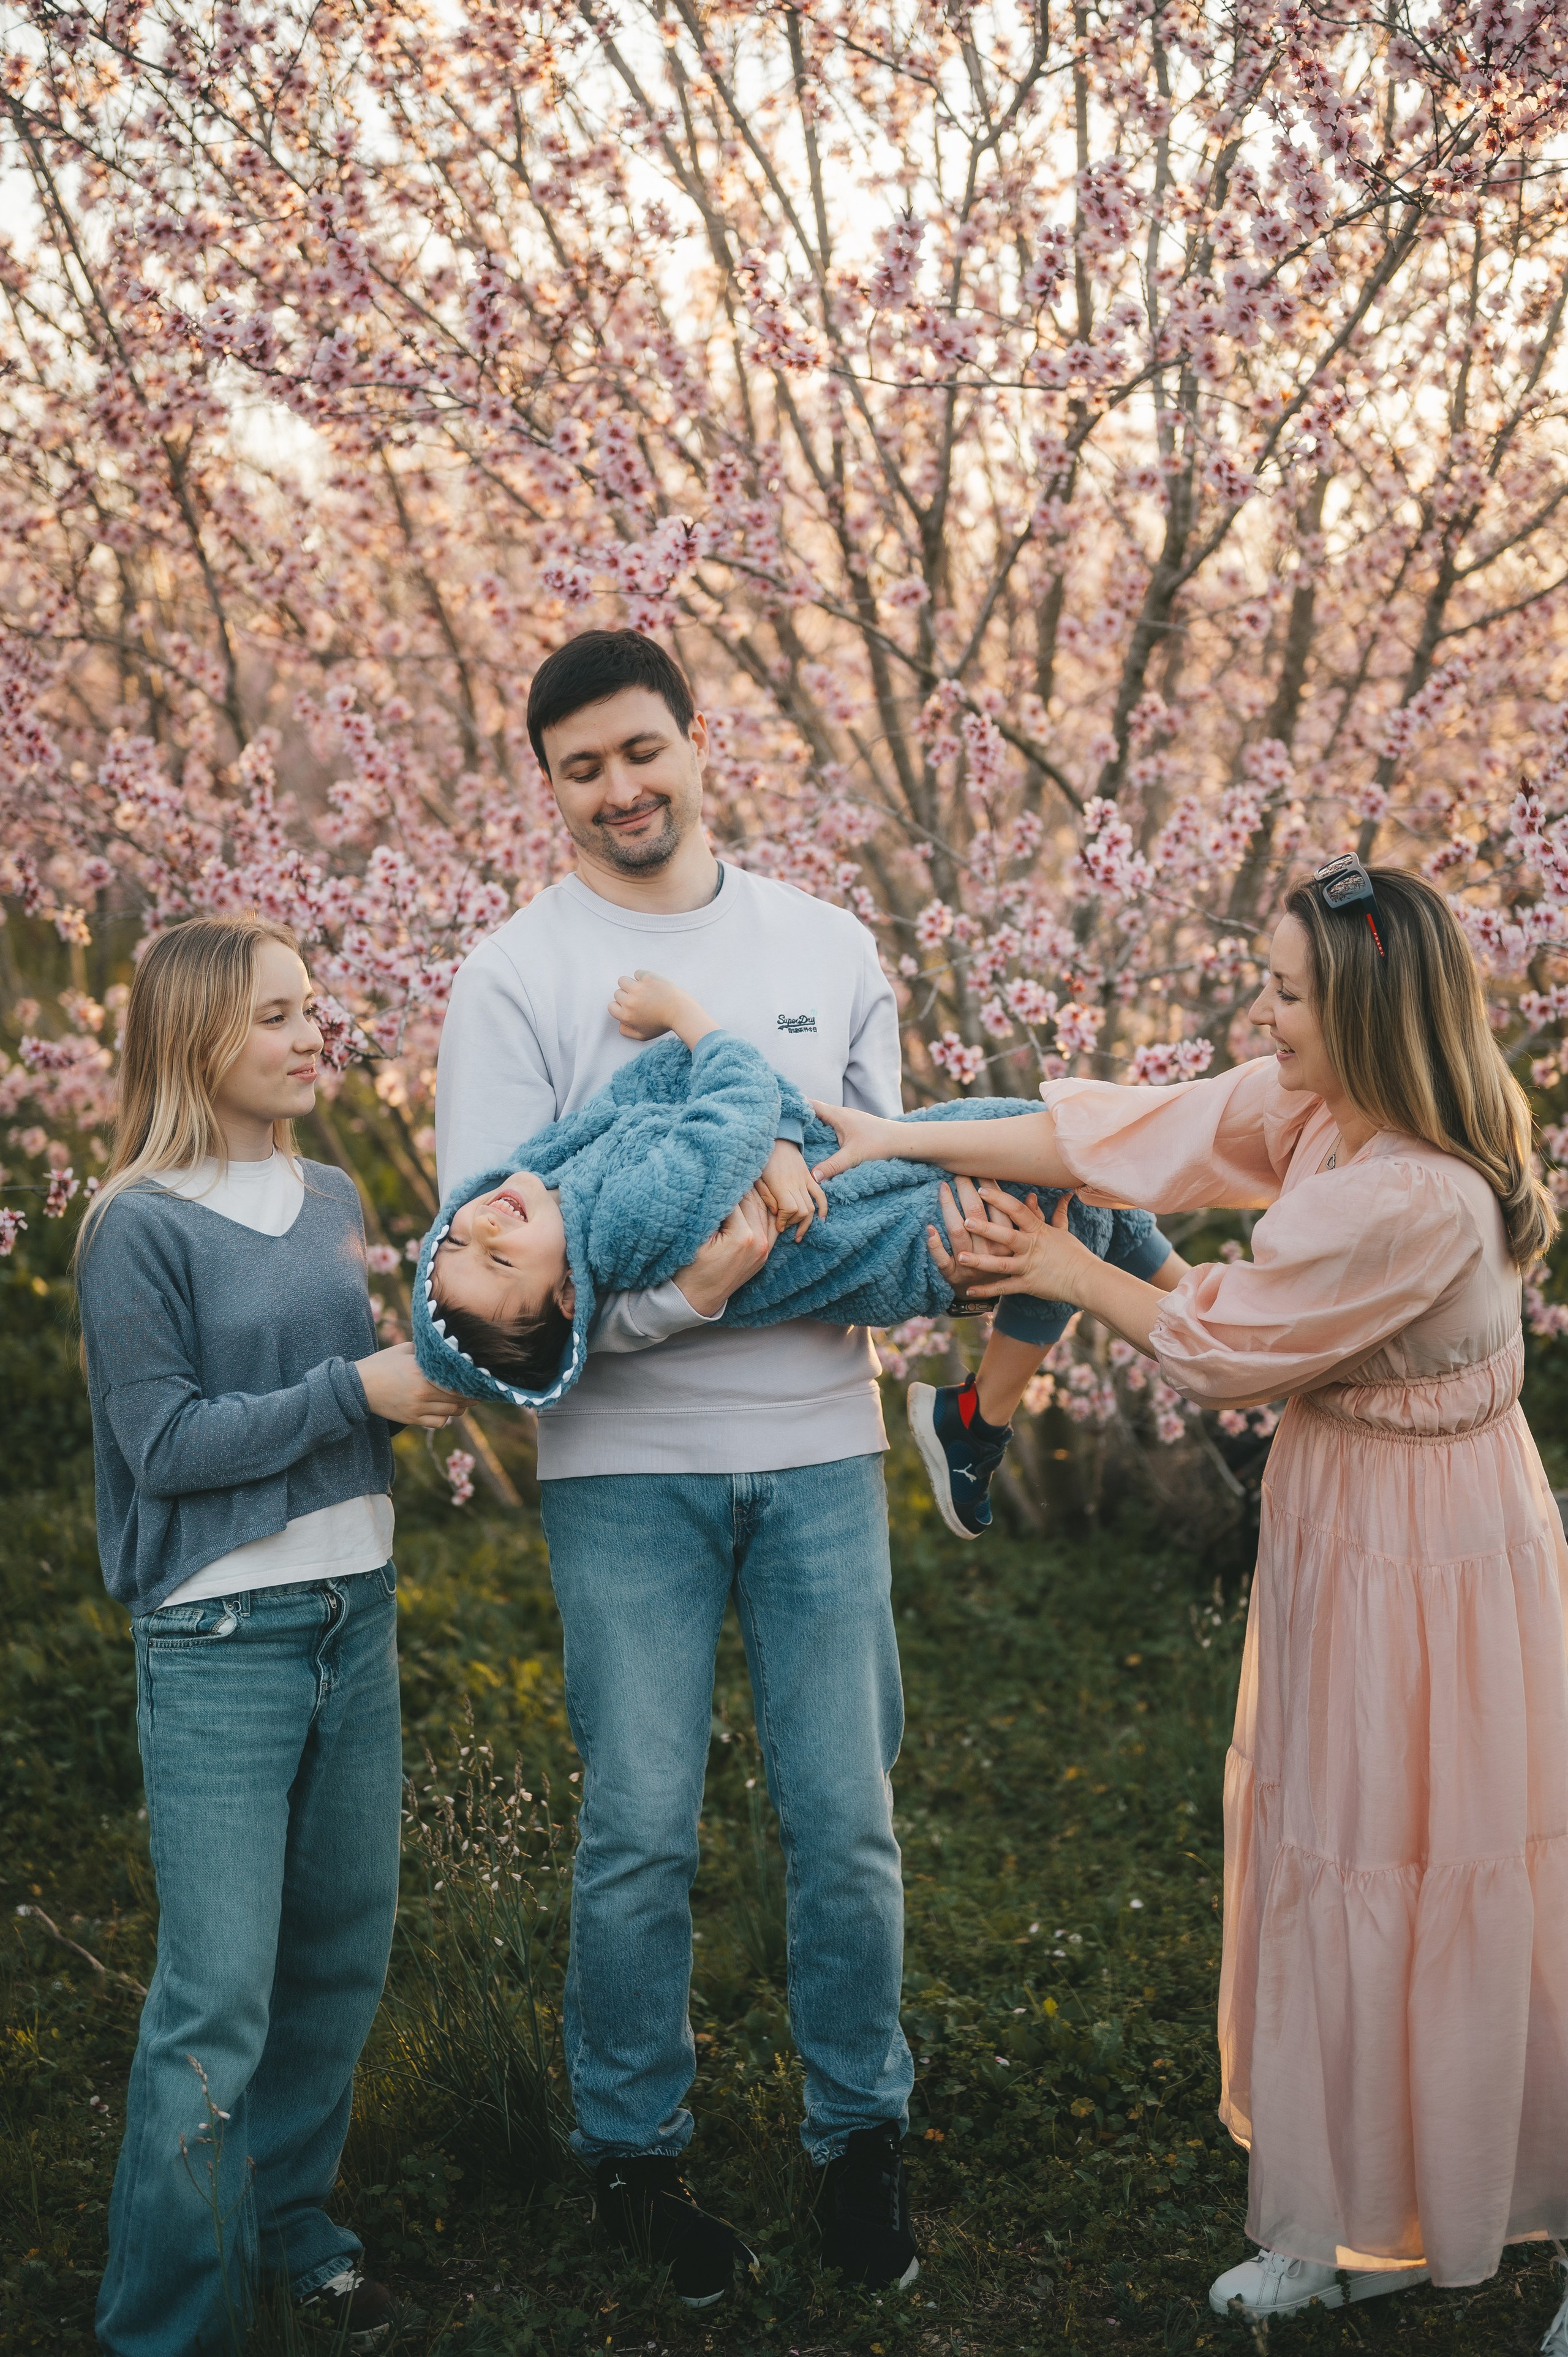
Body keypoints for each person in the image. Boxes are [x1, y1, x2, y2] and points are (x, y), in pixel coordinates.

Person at [810, 860, 1568, 2337]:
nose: (1261, 1013)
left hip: (1445, 1548)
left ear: (1363, 1008)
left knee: (1478, 1865)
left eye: (1286, 989)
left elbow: (1222, 1342)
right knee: (1340, 1846)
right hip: (1349, 1522)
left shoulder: (1410, 1191)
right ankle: (1356, 2207)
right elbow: (1127, 1130)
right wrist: (890, 1130)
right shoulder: (1325, 1107)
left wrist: (1050, 1268)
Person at [437, 626, 984, 2305]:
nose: (621, 788)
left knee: (849, 1821)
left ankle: (860, 2135)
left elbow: (886, 1193)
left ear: (698, 739)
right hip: (623, 1470)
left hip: (820, 1449)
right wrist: (707, 1283)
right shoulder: (512, 977)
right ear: (547, 785)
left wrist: (977, 1256)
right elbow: (510, 1301)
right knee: (637, 1831)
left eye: (641, 750)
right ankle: (631, 2155)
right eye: (583, 766)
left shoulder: (823, 941)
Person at [77, 915, 464, 2357]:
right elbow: (164, 1441)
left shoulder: (327, 1190)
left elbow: (333, 1400)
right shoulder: (136, 1221)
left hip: (352, 1610)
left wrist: (426, 1378)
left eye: (317, 1005)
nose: (317, 1033)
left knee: (338, 1955)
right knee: (215, 1992)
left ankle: (290, 2225)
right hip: (220, 1632)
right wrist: (359, 1394)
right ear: (197, 1041)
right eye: (281, 1015)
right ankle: (161, 2321)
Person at [412, 968, 1183, 1442]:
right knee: (1068, 1185)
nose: (481, 1225)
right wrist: (687, 1012)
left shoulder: (567, 1178)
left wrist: (768, 1134)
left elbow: (676, 1080)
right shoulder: (624, 1225)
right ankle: (987, 1417)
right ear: (570, 1292)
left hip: (874, 1186)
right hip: (895, 1235)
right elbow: (734, 1087)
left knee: (1070, 1160)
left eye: (456, 1242)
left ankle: (1198, 1300)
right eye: (501, 1259)